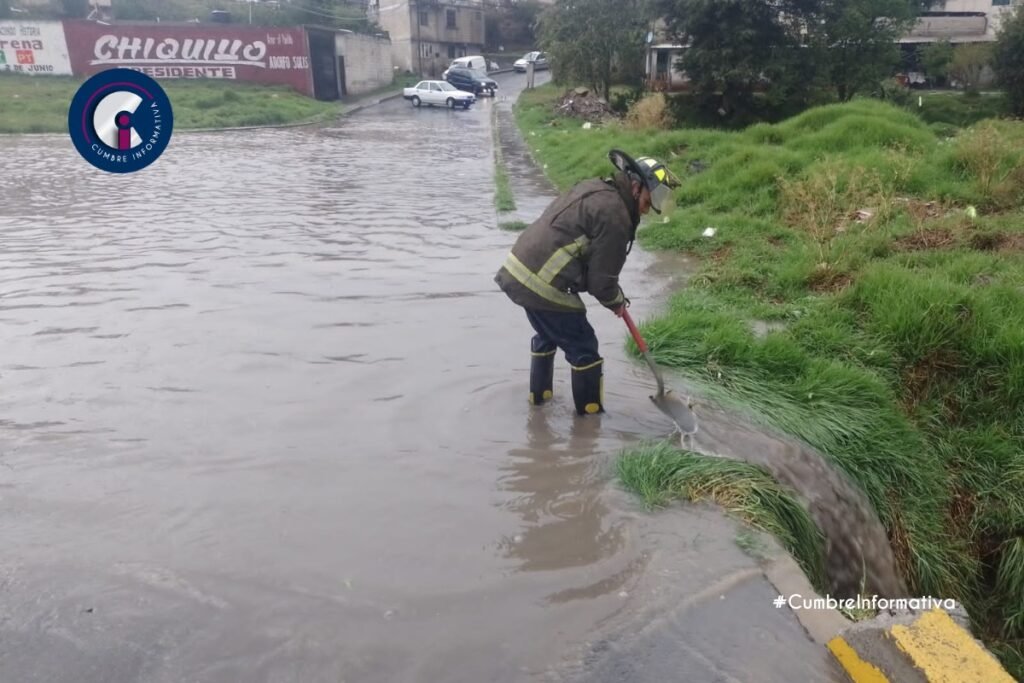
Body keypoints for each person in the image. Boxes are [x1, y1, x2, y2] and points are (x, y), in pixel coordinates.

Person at [494, 149, 681, 416]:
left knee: (549, 334)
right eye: (653, 197)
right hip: (541, 282)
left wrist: (611, 294)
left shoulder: (597, 189)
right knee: (584, 347)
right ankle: (589, 426)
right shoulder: (616, 215)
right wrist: (616, 300)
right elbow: (601, 282)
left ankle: (539, 403)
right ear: (636, 187)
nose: (651, 207)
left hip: (519, 269)